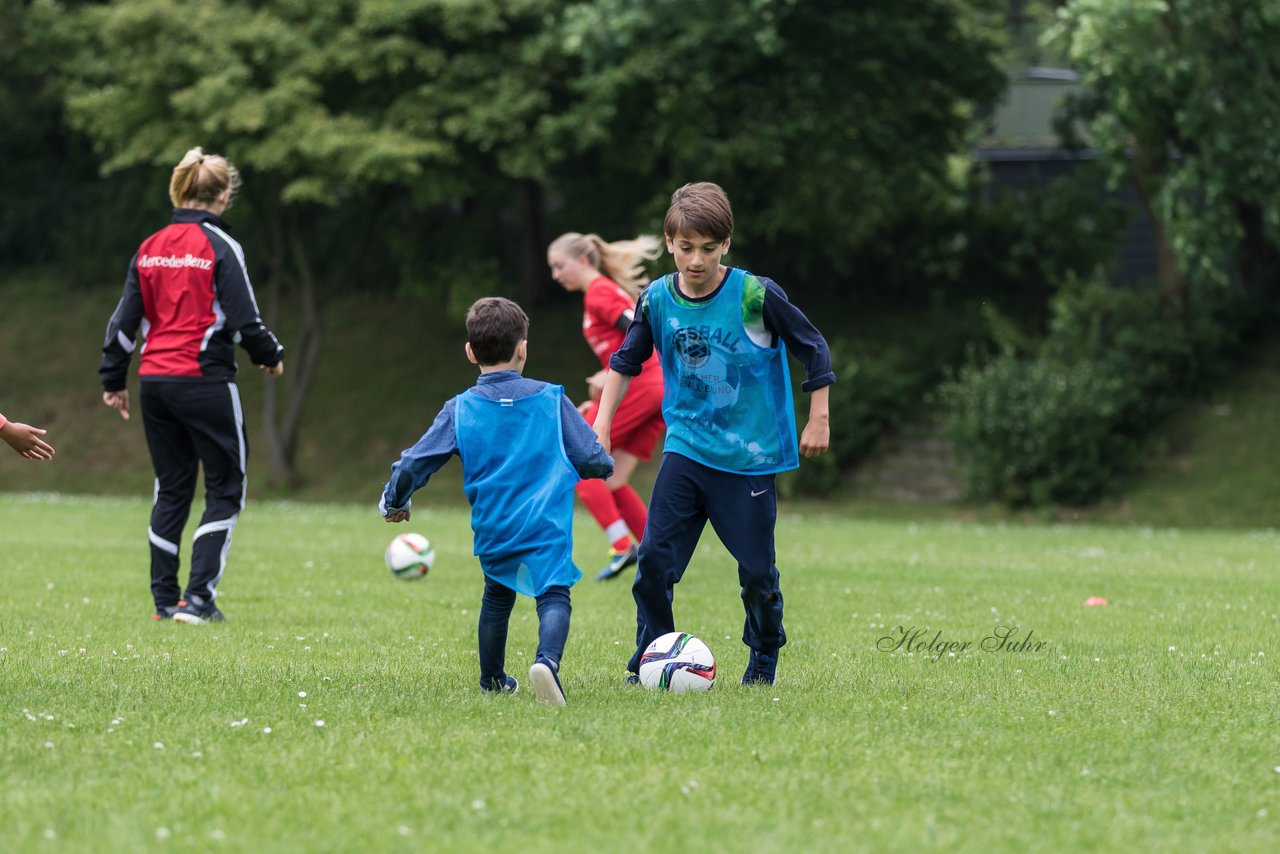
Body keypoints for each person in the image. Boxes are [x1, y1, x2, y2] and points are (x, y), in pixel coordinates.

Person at [592, 182, 834, 687]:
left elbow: (813, 347)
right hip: (686, 447)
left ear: (726, 243)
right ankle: (652, 654)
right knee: (654, 561)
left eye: (707, 247)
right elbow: (624, 362)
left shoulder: (752, 296)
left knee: (757, 575)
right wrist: (601, 424)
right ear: (669, 242)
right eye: (685, 248)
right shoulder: (657, 299)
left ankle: (764, 653)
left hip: (748, 459)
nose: (695, 259)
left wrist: (819, 416)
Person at [379, 297, 614, 707]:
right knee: (554, 594)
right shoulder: (551, 399)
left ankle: (492, 680)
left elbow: (415, 462)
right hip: (546, 526)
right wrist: (604, 464)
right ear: (523, 347)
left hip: (495, 527)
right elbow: (591, 458)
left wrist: (394, 500)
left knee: (497, 596)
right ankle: (547, 663)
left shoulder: (460, 409)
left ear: (470, 352)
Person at [99, 146, 285, 625]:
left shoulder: (150, 246)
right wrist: (271, 357)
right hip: (204, 381)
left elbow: (123, 322)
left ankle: (165, 601)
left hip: (154, 384)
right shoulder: (222, 247)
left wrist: (113, 378)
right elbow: (245, 321)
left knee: (172, 489)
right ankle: (197, 600)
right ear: (224, 197)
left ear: (181, 189)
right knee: (226, 488)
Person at [547, 232, 665, 581]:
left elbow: (638, 329)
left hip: (641, 385)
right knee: (614, 482)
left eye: (559, 266)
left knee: (579, 465)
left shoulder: (599, 292)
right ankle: (657, 557)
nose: (555, 275)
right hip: (649, 388)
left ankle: (620, 547)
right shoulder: (600, 292)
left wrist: (608, 371)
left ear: (582, 261)